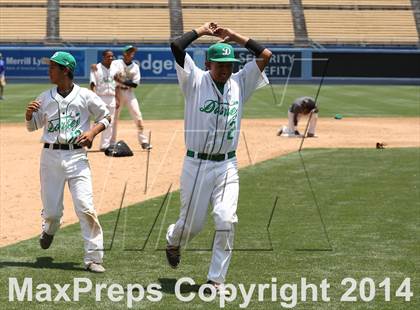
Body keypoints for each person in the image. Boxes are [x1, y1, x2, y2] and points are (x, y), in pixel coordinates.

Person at [165, 22, 272, 294]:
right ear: (208, 63)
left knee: (226, 219)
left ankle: (216, 279)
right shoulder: (194, 80)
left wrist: (233, 36)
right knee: (192, 225)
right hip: (196, 164)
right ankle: (173, 240)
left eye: (229, 64)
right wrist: (201, 31)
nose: (226, 69)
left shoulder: (240, 83)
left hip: (227, 164)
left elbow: (266, 55)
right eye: (220, 64)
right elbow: (176, 46)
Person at [25, 51, 110, 273]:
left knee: (85, 207)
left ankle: (94, 257)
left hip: (77, 157)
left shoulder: (85, 96)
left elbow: (106, 116)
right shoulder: (44, 96)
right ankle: (49, 229)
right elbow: (33, 126)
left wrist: (93, 132)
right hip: (50, 157)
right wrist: (29, 116)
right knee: (52, 213)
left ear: (66, 70)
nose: (48, 70)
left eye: (52, 67)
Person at [110, 45, 152, 150]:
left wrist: (122, 81)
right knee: (114, 118)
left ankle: (144, 142)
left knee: (137, 115)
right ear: (124, 53)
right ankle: (112, 142)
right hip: (117, 91)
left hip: (129, 93)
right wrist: (121, 82)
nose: (130, 54)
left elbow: (135, 84)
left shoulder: (135, 67)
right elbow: (113, 77)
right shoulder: (116, 63)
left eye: (132, 52)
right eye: (129, 51)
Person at [90, 50, 119, 151]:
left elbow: (117, 85)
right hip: (100, 97)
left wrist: (117, 98)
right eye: (108, 56)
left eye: (112, 56)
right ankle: (89, 138)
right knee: (98, 121)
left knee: (110, 122)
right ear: (103, 57)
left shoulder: (115, 68)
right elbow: (92, 84)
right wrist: (94, 97)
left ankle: (104, 145)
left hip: (111, 97)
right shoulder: (96, 68)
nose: (110, 58)